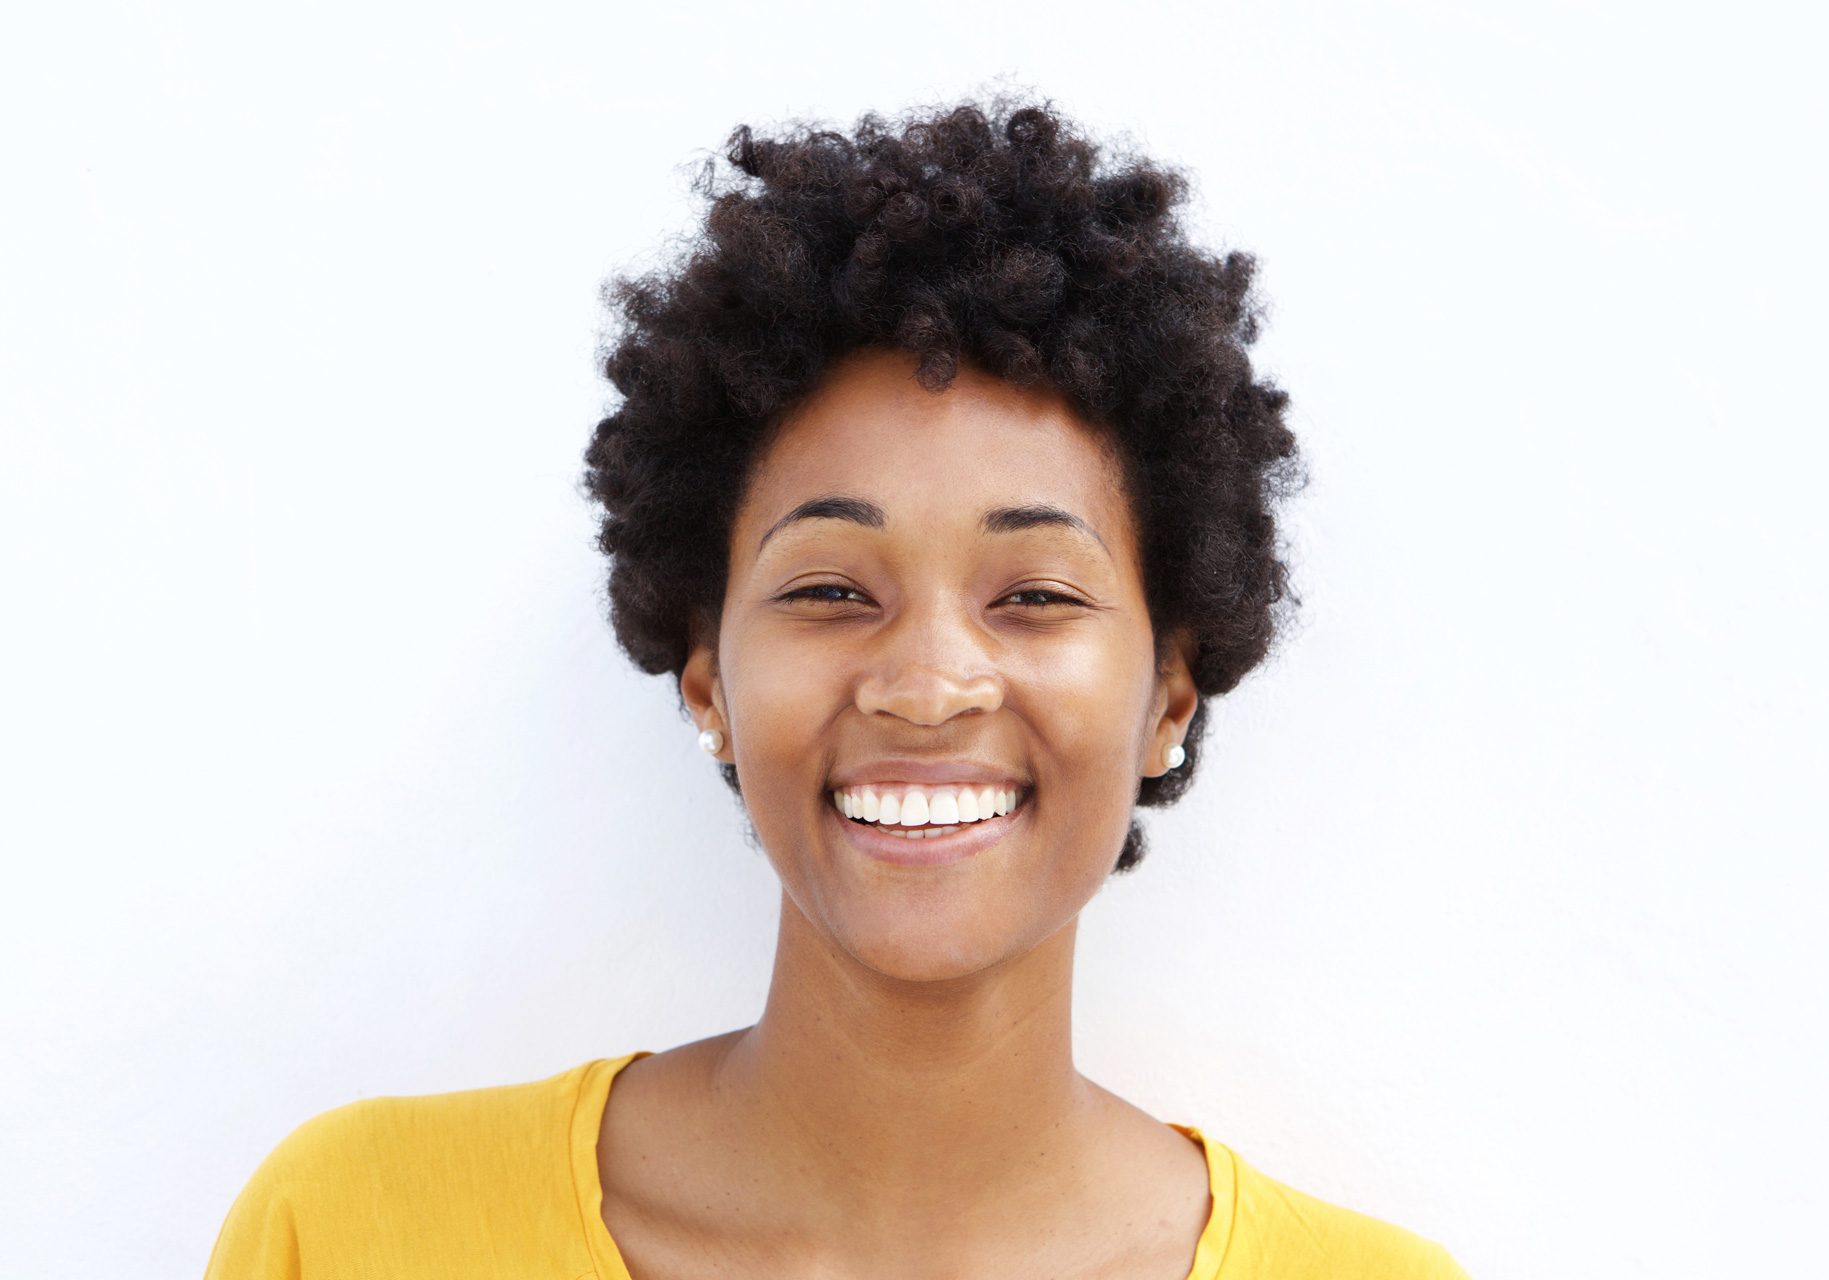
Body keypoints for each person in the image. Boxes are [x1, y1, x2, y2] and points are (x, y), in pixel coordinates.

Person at [205, 98, 1469, 1280]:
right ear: (708, 676)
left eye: (1035, 593)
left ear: (1170, 698)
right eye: (828, 589)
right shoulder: (354, 1227)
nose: (928, 686)